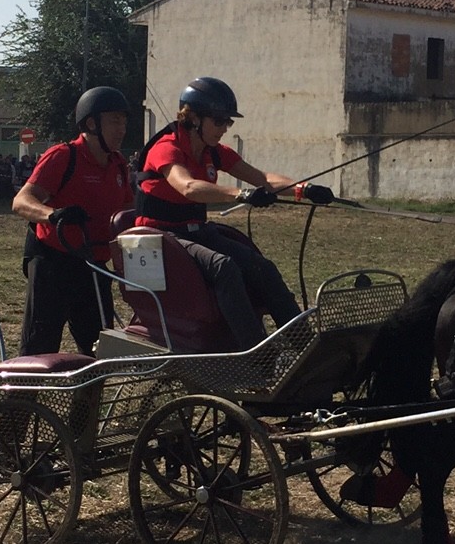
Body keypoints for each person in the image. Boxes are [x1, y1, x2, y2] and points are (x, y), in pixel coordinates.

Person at [134, 76, 331, 349]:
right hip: (160, 238)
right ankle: (256, 354)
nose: (224, 128)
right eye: (219, 120)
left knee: (262, 267)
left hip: (195, 233)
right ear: (192, 118)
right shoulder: (167, 148)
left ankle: (306, 348)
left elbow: (261, 177)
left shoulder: (214, 152)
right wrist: (241, 194)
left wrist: (304, 189)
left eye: (229, 121)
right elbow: (188, 187)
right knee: (223, 267)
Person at [12, 86, 136, 355]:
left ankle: (87, 398)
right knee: (39, 347)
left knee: (99, 350)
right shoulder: (63, 156)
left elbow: (128, 213)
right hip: (53, 263)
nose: (122, 129)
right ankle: (25, 397)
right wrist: (53, 215)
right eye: (114, 120)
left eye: (124, 121)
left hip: (94, 266)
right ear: (91, 123)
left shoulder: (118, 165)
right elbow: (22, 201)